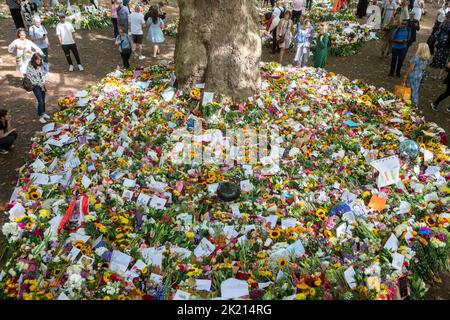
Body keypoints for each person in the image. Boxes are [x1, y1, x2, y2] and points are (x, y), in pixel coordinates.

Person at [402, 43, 430, 107]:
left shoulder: (416, 57)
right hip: (419, 75)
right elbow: (423, 68)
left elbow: (411, 68)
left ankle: (407, 103)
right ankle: (415, 104)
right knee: (415, 90)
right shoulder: (426, 58)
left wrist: (405, 75)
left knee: (408, 89)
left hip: (412, 75)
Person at [26, 53, 49, 124]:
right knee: (40, 101)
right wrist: (40, 84)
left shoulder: (40, 65)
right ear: (34, 59)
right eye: (37, 60)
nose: (39, 61)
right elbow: (31, 78)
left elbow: (43, 74)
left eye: (40, 60)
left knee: (43, 100)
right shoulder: (29, 67)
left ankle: (43, 112)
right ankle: (40, 116)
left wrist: (44, 83)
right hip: (35, 86)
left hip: (42, 85)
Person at [430, 15, 450, 79]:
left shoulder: (445, 26)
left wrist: (438, 41)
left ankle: (436, 75)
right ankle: (439, 75)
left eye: (447, 18)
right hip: (445, 47)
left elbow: (441, 34)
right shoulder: (444, 24)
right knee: (442, 61)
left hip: (442, 45)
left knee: (438, 60)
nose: (446, 19)